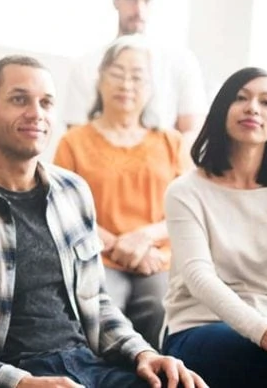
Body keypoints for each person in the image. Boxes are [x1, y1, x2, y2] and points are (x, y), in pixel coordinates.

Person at [0, 55, 206, 387]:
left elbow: (98, 304)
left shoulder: (73, 193)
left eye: (46, 103)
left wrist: (143, 354)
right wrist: (20, 383)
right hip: (5, 376)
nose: (36, 114)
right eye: (20, 100)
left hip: (88, 366)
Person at [54, 36, 184, 348]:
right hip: (96, 257)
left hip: (156, 259)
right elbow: (62, 210)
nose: (126, 84)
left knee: (161, 308)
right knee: (103, 310)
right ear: (100, 79)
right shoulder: (74, 142)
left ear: (151, 87)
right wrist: (118, 245)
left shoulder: (171, 142)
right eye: (117, 73)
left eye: (137, 76)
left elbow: (186, 212)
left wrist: (142, 240)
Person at [162, 67, 267, 386]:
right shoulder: (186, 191)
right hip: (198, 328)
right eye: (241, 97)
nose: (253, 107)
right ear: (222, 109)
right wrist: (264, 333)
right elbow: (199, 278)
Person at [63, 0, 206, 152]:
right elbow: (75, 134)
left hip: (163, 171)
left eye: (147, 0)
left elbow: (193, 131)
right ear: (116, 2)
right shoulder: (85, 65)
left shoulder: (182, 62)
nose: (139, 9)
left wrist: (163, 167)